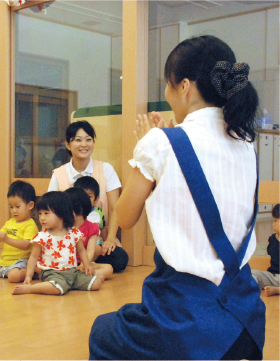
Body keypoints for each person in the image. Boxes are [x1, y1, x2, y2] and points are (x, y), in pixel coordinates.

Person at [89, 35, 265, 360]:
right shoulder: (245, 143)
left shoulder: (160, 143)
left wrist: (145, 151)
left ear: (184, 87)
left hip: (186, 319)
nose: (167, 93)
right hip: (247, 318)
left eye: (167, 85)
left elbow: (125, 218)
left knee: (103, 332)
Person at [48, 121, 126, 267]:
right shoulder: (59, 174)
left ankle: (79, 264)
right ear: (68, 145)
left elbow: (116, 208)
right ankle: (85, 265)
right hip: (66, 241)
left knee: (120, 259)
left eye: (88, 139)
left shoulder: (106, 169)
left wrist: (110, 238)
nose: (84, 144)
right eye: (78, 140)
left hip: (99, 240)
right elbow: (50, 211)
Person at [12, 191, 103, 296]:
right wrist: (28, 276)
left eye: (46, 213)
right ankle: (32, 288)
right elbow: (33, 257)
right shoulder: (42, 236)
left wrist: (87, 264)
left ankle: (67, 285)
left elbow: (81, 250)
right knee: (57, 288)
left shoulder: (73, 232)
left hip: (72, 272)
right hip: (52, 273)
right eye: (40, 213)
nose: (42, 218)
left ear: (61, 214)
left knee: (96, 283)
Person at [0, 180, 38, 283]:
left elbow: (26, 245)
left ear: (30, 205)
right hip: (4, 262)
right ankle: (6, 271)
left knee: (13, 277)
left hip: (20, 262)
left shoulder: (30, 225)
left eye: (17, 207)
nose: (14, 210)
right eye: (11, 207)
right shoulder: (10, 222)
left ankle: (30, 272)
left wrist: (6, 238)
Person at [74, 176, 129, 272]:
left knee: (121, 257)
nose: (85, 199)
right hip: (77, 249)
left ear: (96, 198)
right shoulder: (72, 212)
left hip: (95, 247)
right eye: (81, 196)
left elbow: (102, 228)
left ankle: (85, 266)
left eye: (89, 196)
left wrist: (107, 241)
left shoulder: (98, 212)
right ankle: (84, 266)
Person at [64, 187, 112, 280]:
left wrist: (84, 264)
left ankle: (78, 277)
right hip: (65, 264)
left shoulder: (92, 227)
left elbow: (90, 251)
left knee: (108, 268)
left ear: (80, 209)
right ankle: (81, 278)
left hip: (82, 263)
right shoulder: (63, 226)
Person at [252, 204, 279, 297]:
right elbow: (272, 253)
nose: (273, 224)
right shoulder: (272, 239)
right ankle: (251, 288)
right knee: (253, 273)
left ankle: (277, 290)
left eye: (276, 221)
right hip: (272, 276)